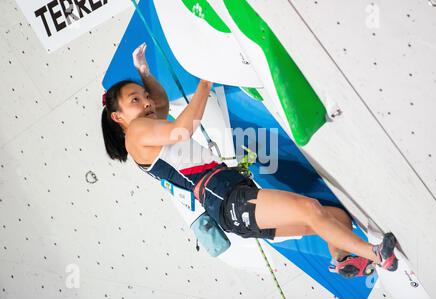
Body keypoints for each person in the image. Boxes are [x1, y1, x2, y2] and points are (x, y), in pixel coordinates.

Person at [100, 43, 398, 278]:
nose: (147, 102)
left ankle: (342, 259)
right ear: (118, 117)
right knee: (311, 210)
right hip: (228, 199)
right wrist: (205, 79)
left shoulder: (146, 131)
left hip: (229, 200)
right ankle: (377, 255)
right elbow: (182, 129)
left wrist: (145, 73)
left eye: (143, 96)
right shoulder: (136, 133)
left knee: (336, 220)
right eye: (135, 100)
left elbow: (161, 104)